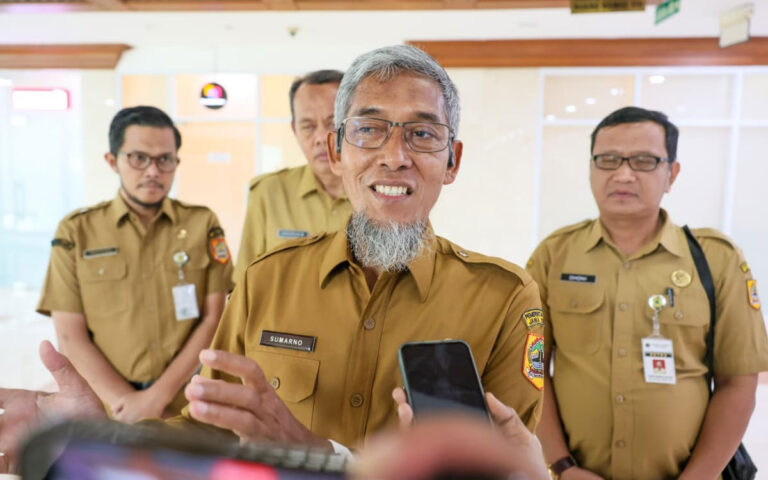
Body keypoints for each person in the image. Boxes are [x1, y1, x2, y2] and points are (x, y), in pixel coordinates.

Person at [0, 45, 544, 469]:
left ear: (452, 161)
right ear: (336, 151)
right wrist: (97, 438)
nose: (394, 156)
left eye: (422, 134)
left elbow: (502, 469)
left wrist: (323, 458)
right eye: (369, 130)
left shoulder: (503, 300)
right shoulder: (267, 278)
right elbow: (208, 429)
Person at [527, 106, 768, 479]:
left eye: (643, 161)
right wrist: (562, 466)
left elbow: (738, 382)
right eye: (608, 160)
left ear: (672, 174)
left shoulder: (716, 258)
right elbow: (533, 370)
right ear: (591, 168)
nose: (623, 174)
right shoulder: (553, 255)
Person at [36, 106, 234, 424]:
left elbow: (214, 318)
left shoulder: (202, 223)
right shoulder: (76, 232)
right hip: (107, 409)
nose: (153, 171)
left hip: (187, 405)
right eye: (139, 158)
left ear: (176, 162)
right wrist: (126, 404)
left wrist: (156, 398)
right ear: (112, 161)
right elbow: (71, 336)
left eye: (165, 159)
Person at [234, 69, 352, 279]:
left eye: (333, 124)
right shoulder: (268, 193)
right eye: (308, 126)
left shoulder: (379, 193)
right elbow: (245, 283)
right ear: (294, 130)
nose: (320, 138)